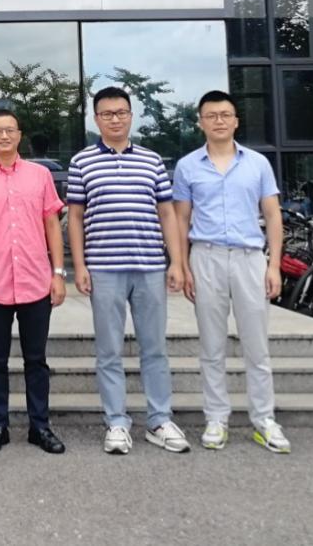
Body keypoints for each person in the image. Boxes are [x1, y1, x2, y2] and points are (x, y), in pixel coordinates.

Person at [66, 86, 190, 455]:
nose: (115, 119)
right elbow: (75, 217)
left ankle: (159, 420)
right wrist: (80, 265)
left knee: (155, 349)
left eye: (121, 112)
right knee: (109, 351)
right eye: (107, 114)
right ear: (96, 119)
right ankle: (116, 422)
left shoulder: (152, 161)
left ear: (131, 115)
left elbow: (167, 213)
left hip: (150, 266)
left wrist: (176, 261)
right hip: (104, 269)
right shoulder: (82, 162)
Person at [173, 89, 290, 455]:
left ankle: (264, 419)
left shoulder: (257, 163)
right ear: (200, 122)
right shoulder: (187, 166)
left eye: (225, 114)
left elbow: (272, 215)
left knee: (257, 346)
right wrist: (183, 265)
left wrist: (274, 265)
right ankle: (216, 418)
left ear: (236, 121)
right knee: (211, 346)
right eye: (211, 115)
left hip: (249, 257)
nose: (219, 121)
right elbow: (180, 219)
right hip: (205, 257)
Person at [0, 109, 67, 455]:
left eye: (10, 130)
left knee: (37, 359)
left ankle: (40, 426)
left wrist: (58, 274)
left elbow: (52, 225)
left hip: (36, 280)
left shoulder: (40, 175)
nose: (4, 136)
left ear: (19, 135)